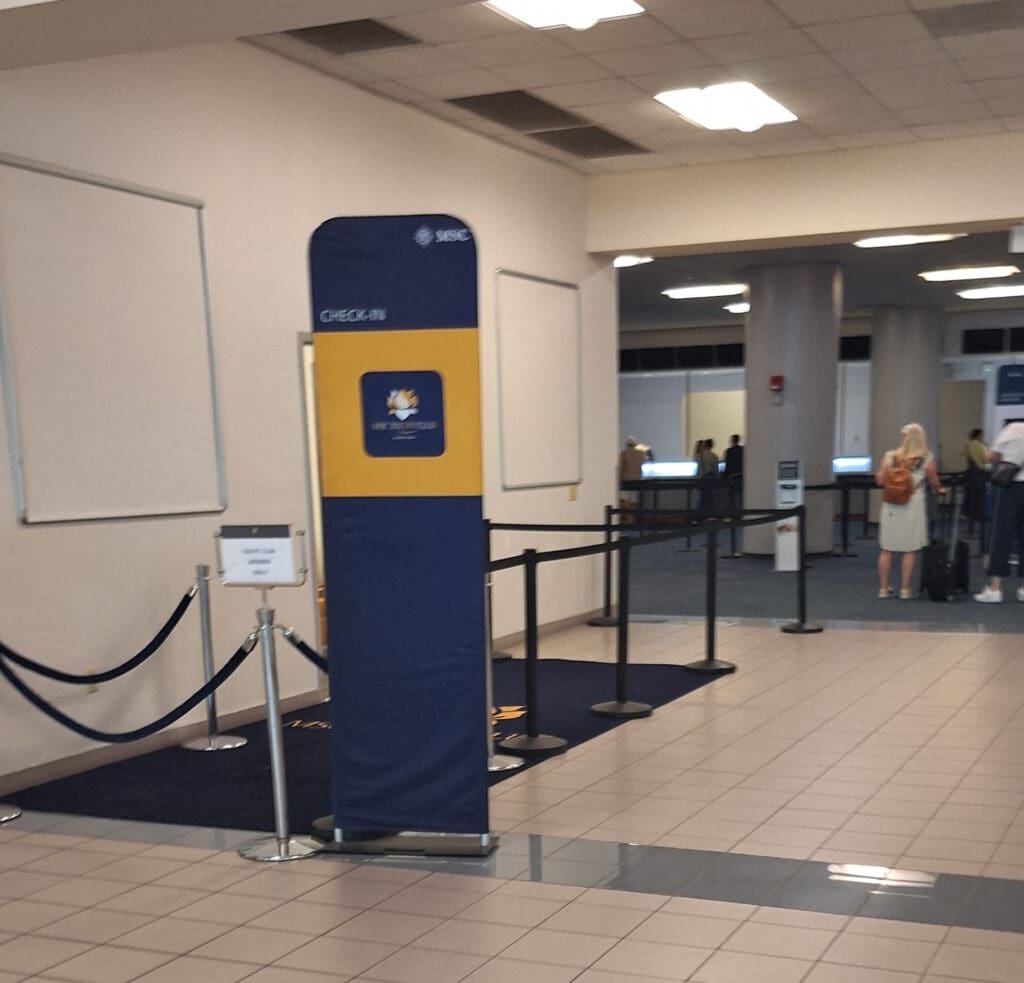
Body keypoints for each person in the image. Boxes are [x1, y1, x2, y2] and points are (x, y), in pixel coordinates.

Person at [875, 422, 944, 599]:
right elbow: (935, 482)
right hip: (913, 504)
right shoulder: (927, 458)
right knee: (909, 549)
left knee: (886, 548)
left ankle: (883, 588)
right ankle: (905, 589)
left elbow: (880, 480)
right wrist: (939, 490)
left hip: (891, 504)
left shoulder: (890, 456)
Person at [973, 421, 1024, 602]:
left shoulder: (1012, 429)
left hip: (1009, 487)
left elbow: (991, 456)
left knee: (1001, 535)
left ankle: (995, 589)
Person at [963, 428, 989, 529]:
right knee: (980, 500)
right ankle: (979, 523)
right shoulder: (980, 446)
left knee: (970, 499)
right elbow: (986, 459)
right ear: (979, 435)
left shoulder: (968, 445)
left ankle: (970, 524)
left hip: (970, 475)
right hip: (980, 475)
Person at [618, 435, 648, 510]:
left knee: (626, 500)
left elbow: (621, 468)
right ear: (635, 444)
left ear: (626, 444)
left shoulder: (624, 453)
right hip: (638, 480)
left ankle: (629, 519)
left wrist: (619, 481)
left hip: (626, 481)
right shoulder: (641, 454)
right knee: (634, 502)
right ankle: (633, 518)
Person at [723, 433, 743, 515]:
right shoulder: (743, 450)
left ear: (732, 441)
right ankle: (741, 513)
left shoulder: (729, 451)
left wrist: (724, 476)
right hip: (741, 475)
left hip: (732, 476)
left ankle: (732, 514)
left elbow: (728, 465)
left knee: (731, 496)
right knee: (740, 496)